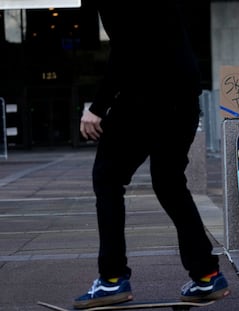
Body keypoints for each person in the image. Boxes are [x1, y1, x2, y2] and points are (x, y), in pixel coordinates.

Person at [74, 1, 230, 309]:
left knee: (107, 178)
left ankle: (112, 280)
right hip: (183, 96)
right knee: (169, 182)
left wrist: (97, 107)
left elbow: (127, 48)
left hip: (147, 97)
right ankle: (207, 275)